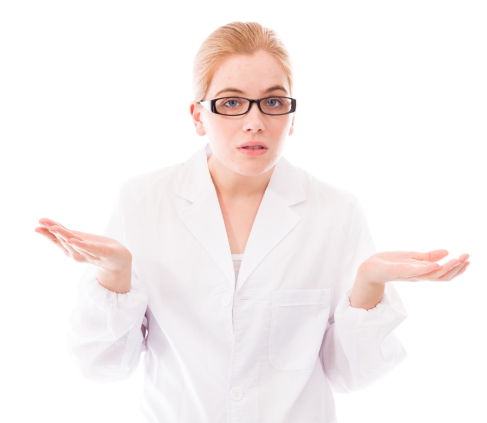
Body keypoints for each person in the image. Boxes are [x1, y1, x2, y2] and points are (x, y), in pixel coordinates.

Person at [35, 21, 470, 423]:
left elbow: (351, 374)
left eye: (273, 102)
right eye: (231, 103)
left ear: (292, 117)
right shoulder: (143, 202)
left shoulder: (336, 212)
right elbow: (102, 366)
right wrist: (114, 277)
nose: (255, 122)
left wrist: (369, 286)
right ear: (197, 116)